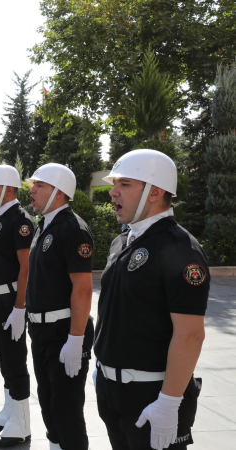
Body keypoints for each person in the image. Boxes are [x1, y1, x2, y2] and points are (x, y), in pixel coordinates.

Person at [94, 149, 207, 450]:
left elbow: (190, 334)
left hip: (152, 395)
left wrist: (169, 404)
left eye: (125, 184)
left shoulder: (179, 248)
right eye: (114, 183)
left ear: (155, 192)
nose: (113, 192)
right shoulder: (122, 242)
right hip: (112, 391)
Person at [27, 164, 95, 450]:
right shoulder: (44, 225)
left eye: (39, 186)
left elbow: (82, 288)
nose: (31, 191)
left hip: (64, 331)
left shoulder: (73, 229)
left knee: (66, 410)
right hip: (42, 330)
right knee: (47, 402)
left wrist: (76, 339)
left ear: (57, 192)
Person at [0, 164, 34, 446]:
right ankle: (11, 411)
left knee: (14, 360)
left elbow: (25, 268)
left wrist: (19, 307)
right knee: (4, 358)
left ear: (9, 189)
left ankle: (22, 423)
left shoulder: (19, 220)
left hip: (7, 300)